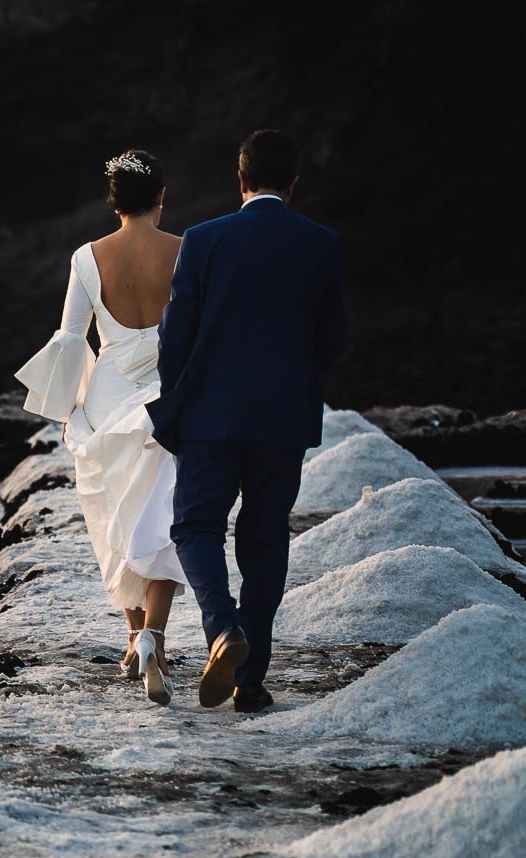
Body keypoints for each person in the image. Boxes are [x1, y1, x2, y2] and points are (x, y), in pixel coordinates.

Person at [148, 129, 347, 712]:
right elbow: (331, 343)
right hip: (283, 421)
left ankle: (222, 629)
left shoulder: (204, 240)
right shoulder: (321, 244)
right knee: (264, 542)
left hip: (211, 416)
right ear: (293, 184)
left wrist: (179, 401)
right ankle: (250, 681)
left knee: (195, 527)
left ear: (240, 180)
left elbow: (174, 336)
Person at [17, 150, 189, 705]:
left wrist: (69, 407)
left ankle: (134, 634)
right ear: (160, 197)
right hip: (166, 394)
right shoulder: (185, 251)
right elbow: (197, 329)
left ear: (113, 202)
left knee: (116, 516)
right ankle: (154, 640)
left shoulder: (87, 258)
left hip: (109, 394)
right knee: (164, 515)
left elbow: (71, 338)